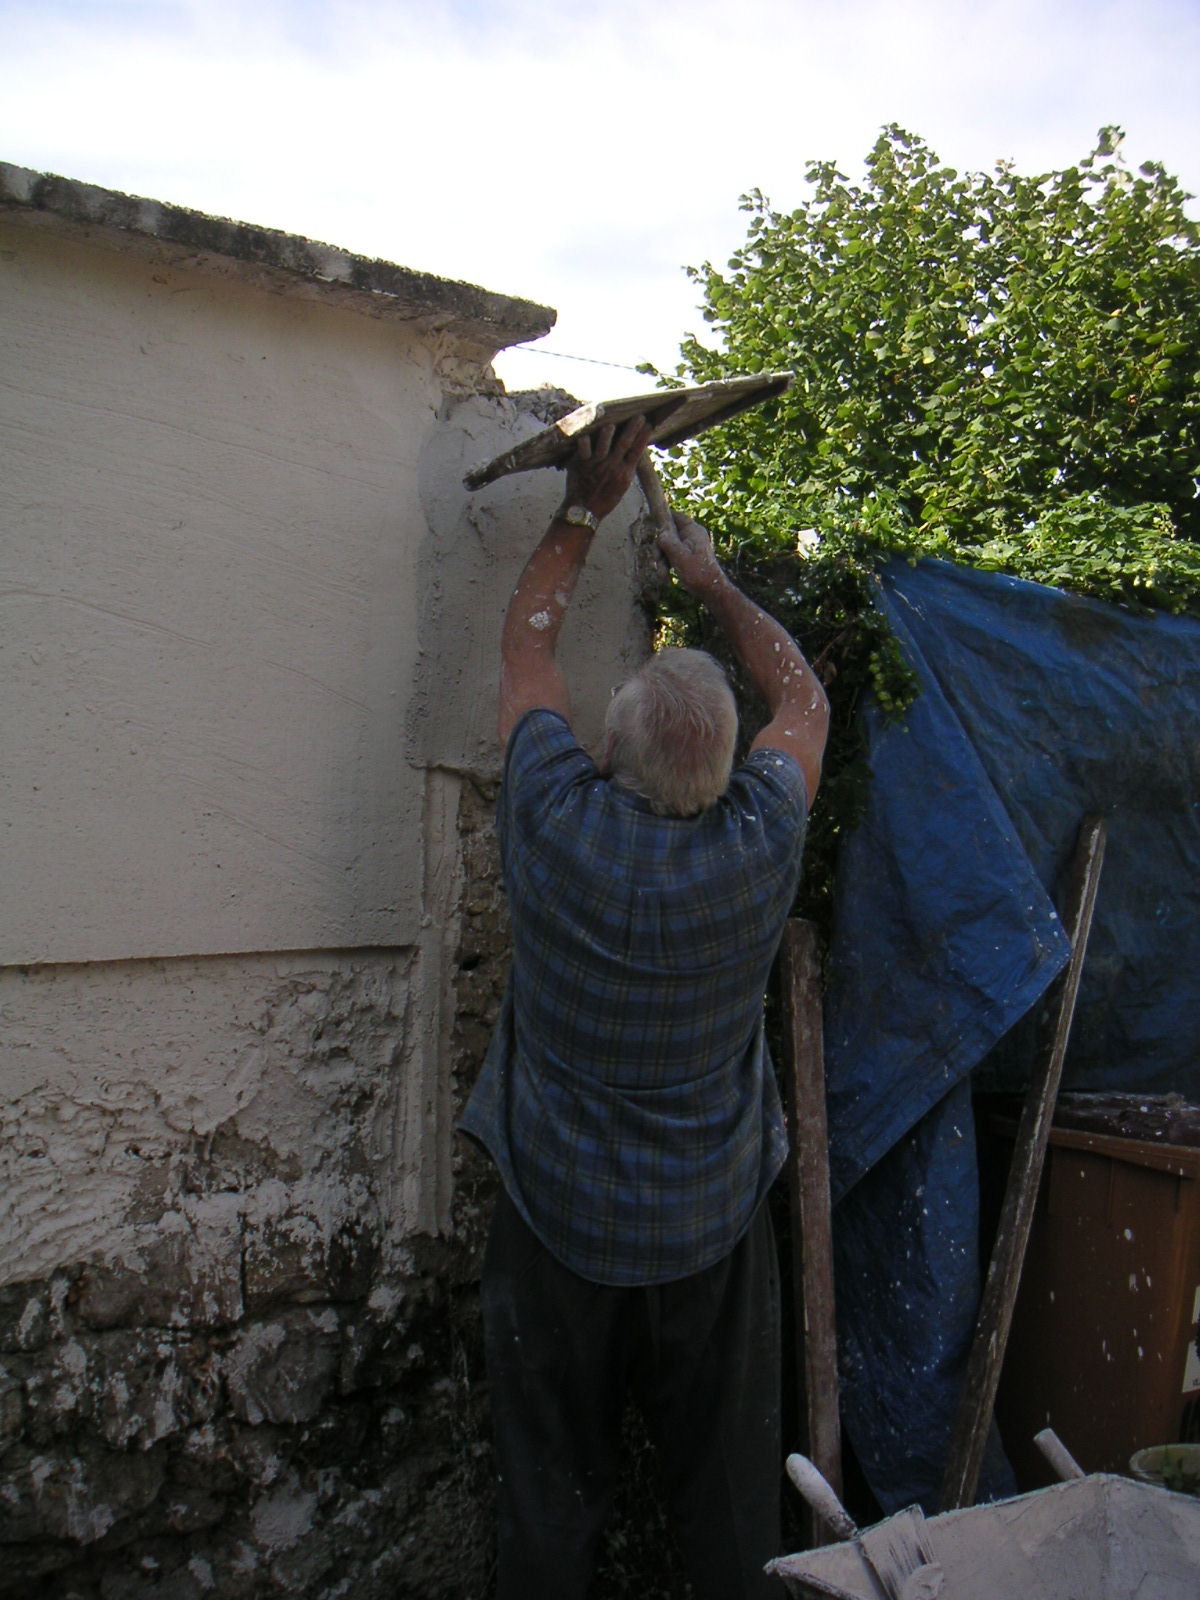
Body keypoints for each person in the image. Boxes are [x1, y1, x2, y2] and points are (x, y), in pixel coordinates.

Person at [460, 416, 829, 1599]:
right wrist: (711, 583)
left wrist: (585, 508)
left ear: (611, 751)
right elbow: (804, 700)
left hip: (555, 1225)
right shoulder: (760, 842)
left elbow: (526, 655)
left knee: (547, 1512)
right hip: (710, 1239)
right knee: (729, 1521)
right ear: (725, 771)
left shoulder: (555, 820)